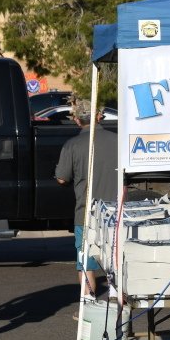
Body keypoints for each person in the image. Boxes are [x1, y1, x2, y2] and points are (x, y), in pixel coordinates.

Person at [55, 98, 119, 296]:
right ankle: (118, 305)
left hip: (86, 213)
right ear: (100, 116)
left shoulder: (71, 145)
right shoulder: (117, 140)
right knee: (116, 262)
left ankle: (88, 305)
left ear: (76, 120)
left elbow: (62, 179)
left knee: (86, 263)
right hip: (115, 212)